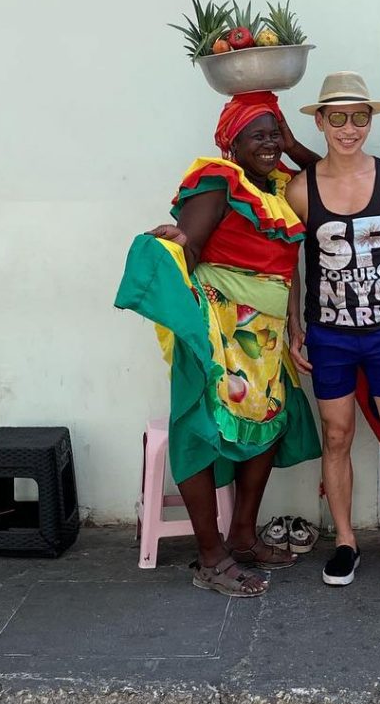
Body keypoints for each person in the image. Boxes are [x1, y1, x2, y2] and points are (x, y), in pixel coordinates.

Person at [115, 91, 322, 598]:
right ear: (232, 143)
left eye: (275, 133)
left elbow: (327, 182)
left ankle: (244, 538)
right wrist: (175, 242)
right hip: (220, 327)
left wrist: (295, 326)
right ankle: (211, 556)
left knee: (266, 425)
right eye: (260, 134)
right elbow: (190, 241)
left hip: (266, 334)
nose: (270, 143)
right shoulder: (219, 181)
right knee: (202, 430)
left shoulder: (280, 190)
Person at [286, 72, 380, 595]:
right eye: (339, 118)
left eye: (360, 117)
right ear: (321, 122)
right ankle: (345, 541)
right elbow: (290, 264)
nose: (350, 129)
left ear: (371, 121)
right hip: (330, 336)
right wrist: (294, 325)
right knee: (337, 435)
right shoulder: (300, 189)